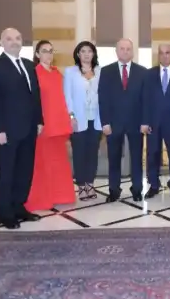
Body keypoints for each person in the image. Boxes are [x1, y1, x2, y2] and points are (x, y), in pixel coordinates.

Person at [0, 28, 42, 229]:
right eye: (9, 39)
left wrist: (39, 121)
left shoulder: (29, 65)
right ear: (1, 42)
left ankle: (19, 207)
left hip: (29, 129)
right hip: (6, 131)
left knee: (24, 171)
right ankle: (6, 213)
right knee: (7, 172)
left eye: (17, 38)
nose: (14, 42)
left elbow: (35, 96)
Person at [24, 40, 75, 212]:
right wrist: (37, 122)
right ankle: (42, 199)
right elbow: (32, 101)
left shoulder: (56, 73)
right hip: (44, 125)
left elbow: (64, 98)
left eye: (51, 51)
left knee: (58, 162)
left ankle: (60, 196)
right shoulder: (34, 73)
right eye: (44, 51)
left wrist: (70, 117)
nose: (48, 54)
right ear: (37, 54)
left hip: (60, 124)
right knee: (43, 163)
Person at [97, 38, 149, 202]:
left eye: (128, 49)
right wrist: (105, 122)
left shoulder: (142, 72)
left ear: (132, 52)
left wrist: (145, 122)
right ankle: (114, 189)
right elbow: (103, 99)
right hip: (113, 124)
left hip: (136, 123)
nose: (125, 52)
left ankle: (137, 189)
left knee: (136, 158)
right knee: (113, 158)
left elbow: (146, 99)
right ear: (116, 51)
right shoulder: (106, 71)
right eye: (122, 49)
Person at [64, 41, 103, 201]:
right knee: (79, 154)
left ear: (93, 54)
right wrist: (71, 117)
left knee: (92, 154)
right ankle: (81, 186)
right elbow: (67, 96)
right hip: (78, 120)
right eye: (83, 51)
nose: (86, 54)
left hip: (96, 119)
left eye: (89, 51)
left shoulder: (100, 71)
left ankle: (90, 184)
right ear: (78, 54)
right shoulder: (70, 72)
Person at [144, 43, 170, 198]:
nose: (165, 56)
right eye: (162, 53)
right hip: (153, 122)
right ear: (158, 55)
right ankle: (153, 185)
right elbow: (145, 99)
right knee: (152, 154)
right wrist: (145, 121)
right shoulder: (149, 74)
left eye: (167, 53)